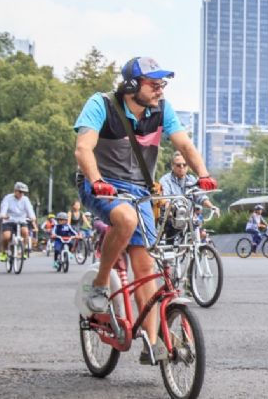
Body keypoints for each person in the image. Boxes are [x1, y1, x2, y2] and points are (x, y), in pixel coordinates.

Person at [74, 56, 217, 364]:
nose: (160, 90)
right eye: (153, 84)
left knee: (145, 266)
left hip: (140, 191)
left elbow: (185, 146)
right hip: (101, 185)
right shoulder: (102, 105)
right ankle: (100, 284)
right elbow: (83, 148)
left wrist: (203, 175)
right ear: (130, 85)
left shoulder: (162, 110)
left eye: (161, 84)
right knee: (124, 218)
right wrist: (96, 180)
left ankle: (152, 343)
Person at [0, 182, 37, 262]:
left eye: (23, 192)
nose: (22, 194)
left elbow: (30, 209)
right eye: (20, 192)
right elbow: (4, 208)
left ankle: (23, 251)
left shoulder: (25, 199)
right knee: (6, 237)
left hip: (21, 220)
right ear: (15, 191)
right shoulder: (8, 198)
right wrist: (3, 215)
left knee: (25, 232)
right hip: (9, 220)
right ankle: (4, 253)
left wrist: (32, 217)